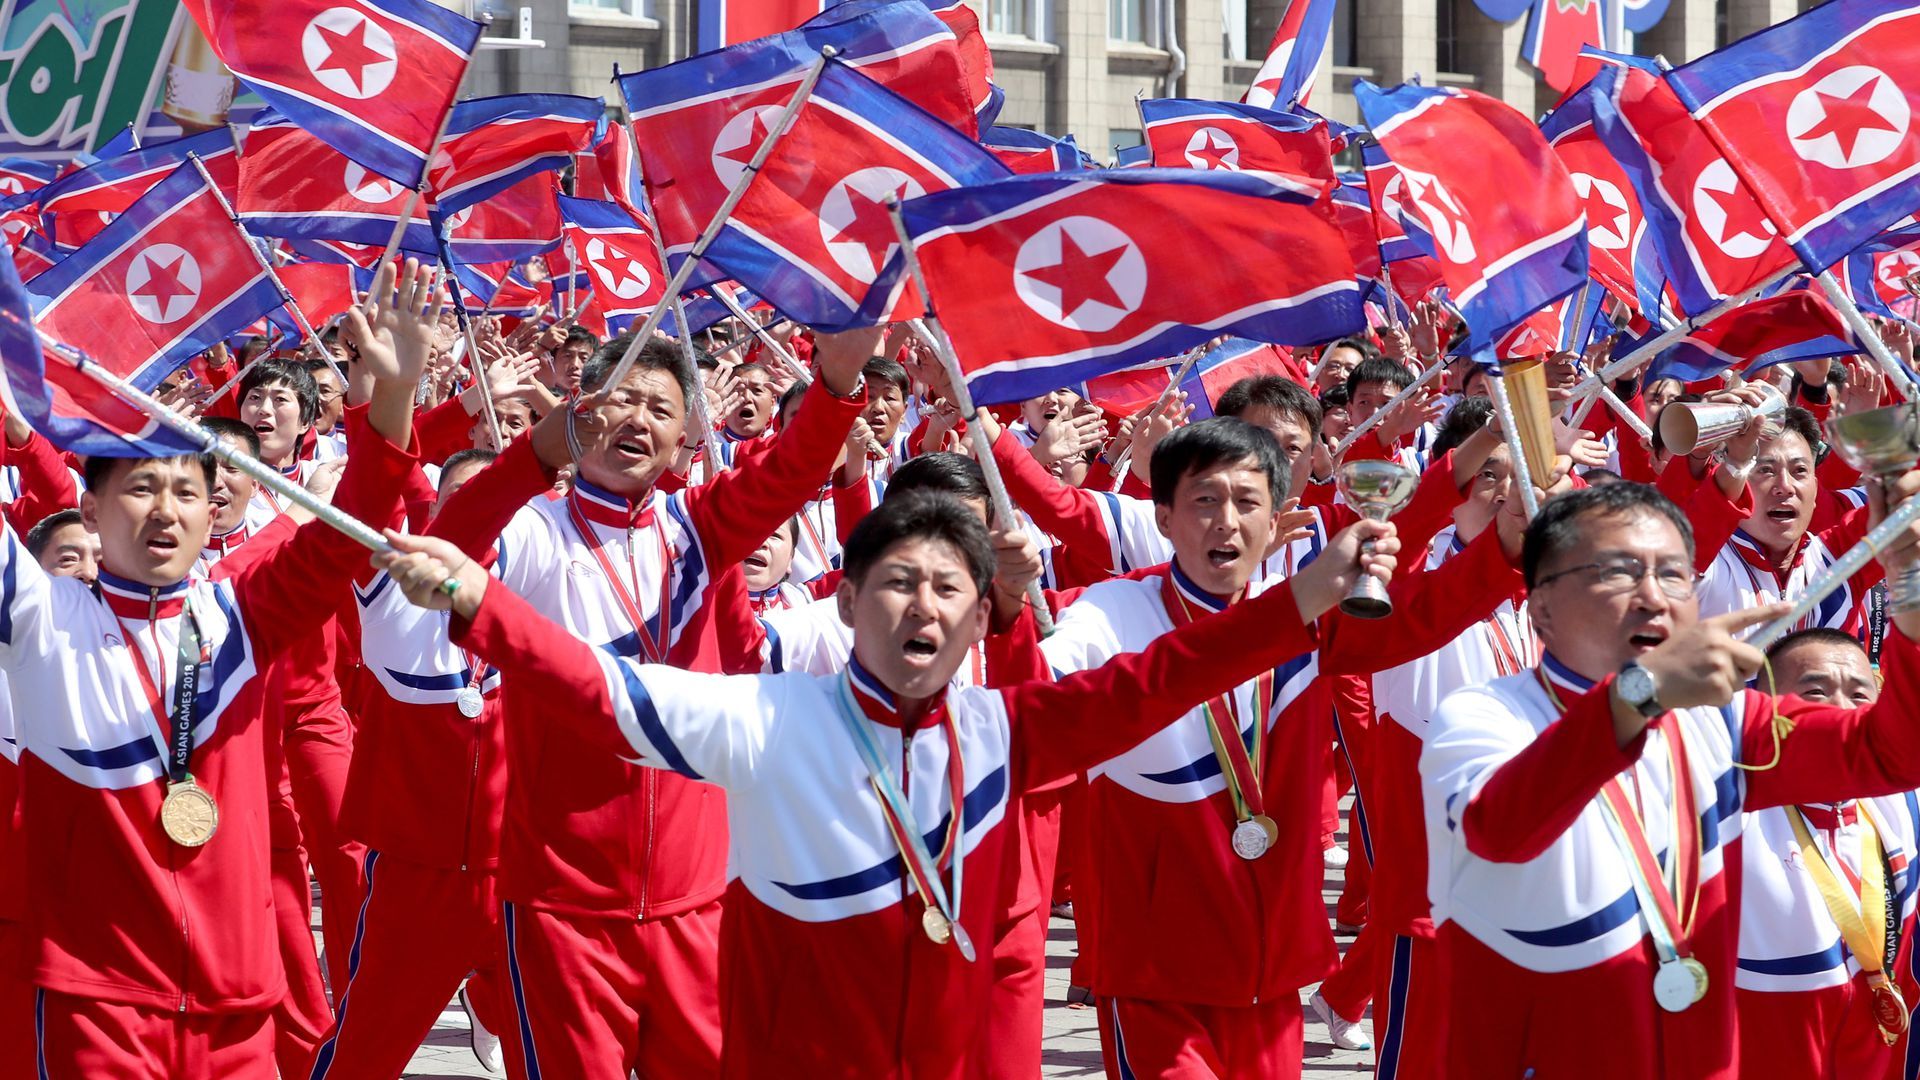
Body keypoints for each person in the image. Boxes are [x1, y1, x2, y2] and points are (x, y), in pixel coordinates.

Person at [369, 488, 1403, 1076]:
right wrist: (477, 602)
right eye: (899, 582)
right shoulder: (767, 721)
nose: (924, 606)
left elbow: (1165, 677)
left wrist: (1306, 595)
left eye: (949, 587)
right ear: (848, 599)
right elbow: (600, 688)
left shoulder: (1008, 729)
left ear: (980, 615)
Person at [5, 259, 434, 1077]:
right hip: (99, 1003)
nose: (164, 511)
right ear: (90, 510)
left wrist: (395, 392)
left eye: (186, 492)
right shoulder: (40, 616)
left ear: (214, 511)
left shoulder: (244, 613)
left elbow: (354, 522)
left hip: (238, 1004)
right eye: (140, 489)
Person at [418, 325, 875, 1077]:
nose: (638, 420)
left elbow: (789, 473)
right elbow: (451, 554)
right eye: (622, 400)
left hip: (698, 901)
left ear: (682, 437)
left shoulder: (698, 527)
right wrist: (535, 455)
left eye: (661, 409)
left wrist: (838, 383)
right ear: (582, 413)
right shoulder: (534, 529)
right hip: (564, 906)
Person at [1035, 417, 1534, 1078]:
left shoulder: (1307, 616)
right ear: (1163, 519)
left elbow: (1427, 612)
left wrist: (1508, 543)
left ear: (1275, 522)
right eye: (1204, 501)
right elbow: (1041, 694)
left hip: (1271, 974)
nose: (1226, 522)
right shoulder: (1110, 614)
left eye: (1247, 502)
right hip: (1154, 972)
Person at [1422, 480, 1920, 1079]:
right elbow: (1499, 827)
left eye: (1674, 575)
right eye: (1619, 572)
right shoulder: (1483, 715)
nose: (1654, 598)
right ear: (1541, 607)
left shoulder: (1728, 722)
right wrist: (1640, 693)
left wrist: (1909, 589)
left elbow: (1892, 753)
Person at [1734, 628, 1920, 1078]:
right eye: (1815, 693)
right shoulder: (1731, 812)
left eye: (1860, 694)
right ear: (1765, 706)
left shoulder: (1904, 799)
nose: (1841, 709)